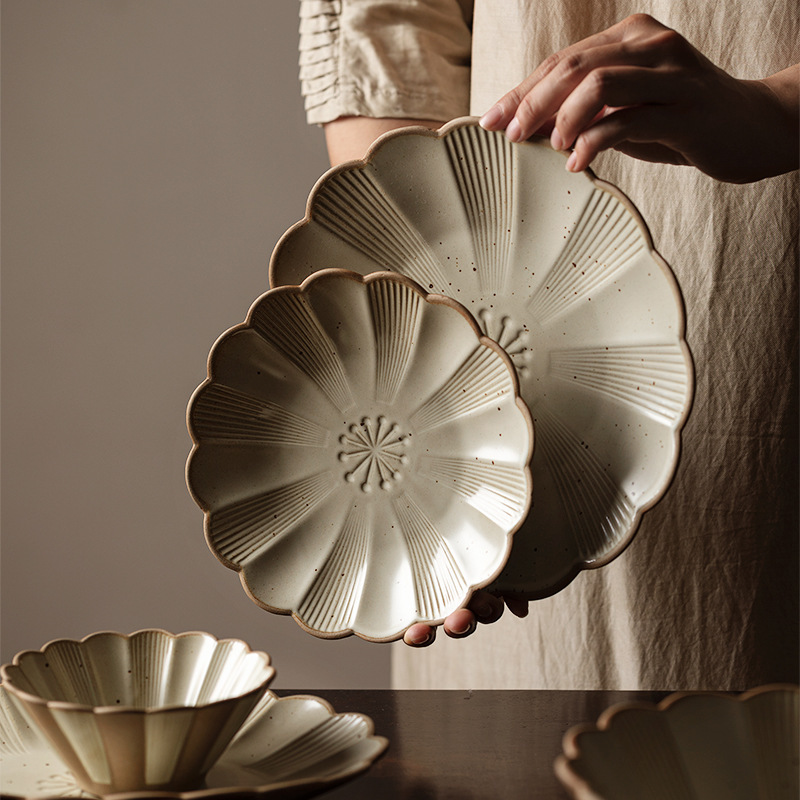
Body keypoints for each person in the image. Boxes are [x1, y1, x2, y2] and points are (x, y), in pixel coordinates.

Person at [298, 2, 799, 690]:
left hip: (765, 315)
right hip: (487, 310)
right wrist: (425, 433)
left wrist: (777, 108)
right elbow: (390, 37)